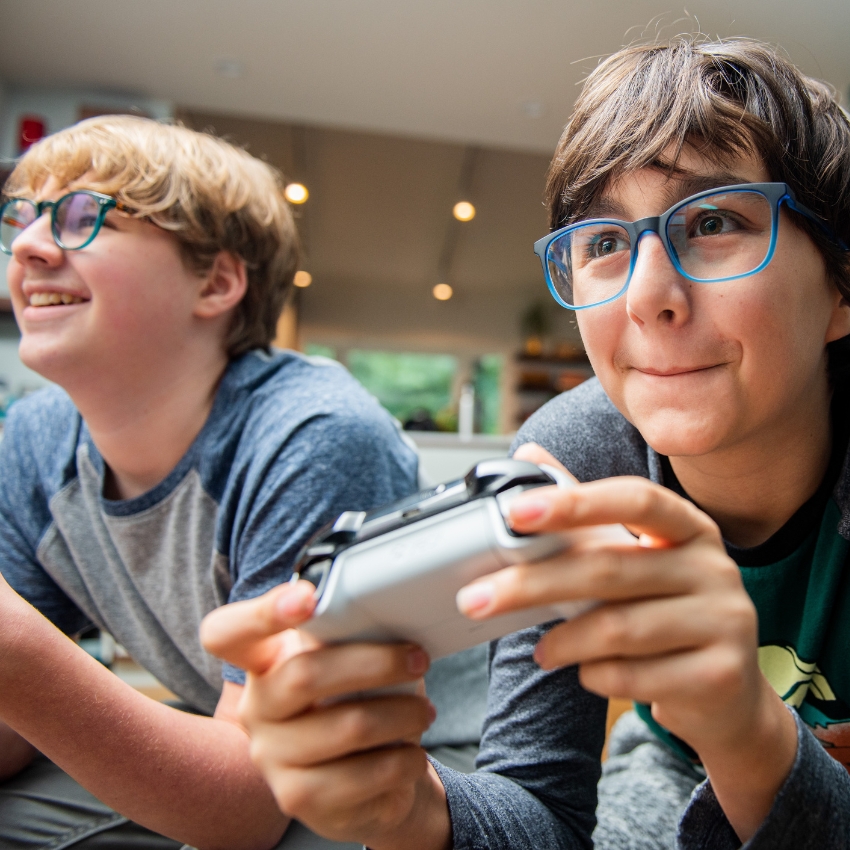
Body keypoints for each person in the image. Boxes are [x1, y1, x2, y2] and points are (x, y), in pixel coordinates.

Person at [201, 37, 850, 850]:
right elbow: (538, 805)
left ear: (840, 290)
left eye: (714, 221)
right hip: (674, 760)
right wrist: (413, 809)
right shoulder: (575, 457)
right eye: (604, 243)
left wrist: (751, 734)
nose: (647, 297)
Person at [0, 115, 422, 850]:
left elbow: (251, 806)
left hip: (411, 777)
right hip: (236, 743)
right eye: (22, 218)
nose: (29, 246)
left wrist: (13, 648)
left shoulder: (312, 435)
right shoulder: (35, 440)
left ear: (217, 281)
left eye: (78, 217)